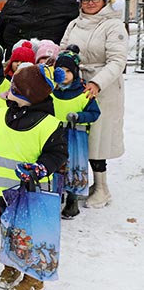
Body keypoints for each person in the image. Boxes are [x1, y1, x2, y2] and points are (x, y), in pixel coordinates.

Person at [0, 63, 68, 290]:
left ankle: (33, 276)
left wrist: (40, 168)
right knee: (8, 229)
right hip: (3, 189)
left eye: (17, 90)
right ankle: (11, 264)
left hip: (32, 192)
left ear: (30, 96)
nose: (11, 93)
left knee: (32, 234)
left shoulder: (49, 125)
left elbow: (58, 154)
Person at [60, 0, 128, 208]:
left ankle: (102, 187)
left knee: (99, 139)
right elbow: (63, 50)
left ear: (105, 0)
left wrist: (97, 82)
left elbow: (118, 60)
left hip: (104, 88)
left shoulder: (113, 25)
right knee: (78, 136)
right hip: (75, 86)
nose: (89, 3)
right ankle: (78, 181)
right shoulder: (74, 24)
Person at [52, 46, 101, 219]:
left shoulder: (84, 93)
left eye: (68, 71)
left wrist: (79, 116)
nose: (64, 74)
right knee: (56, 166)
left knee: (74, 167)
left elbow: (95, 113)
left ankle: (72, 201)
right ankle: (56, 196)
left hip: (75, 137)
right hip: (55, 136)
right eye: (60, 71)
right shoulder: (51, 92)